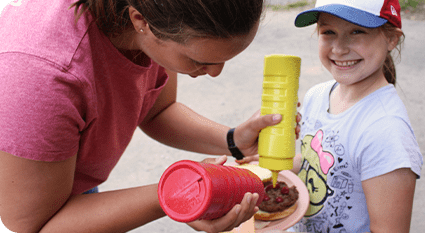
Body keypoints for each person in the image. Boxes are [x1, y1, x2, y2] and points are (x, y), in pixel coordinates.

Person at [0, 0, 285, 232]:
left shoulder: (154, 22)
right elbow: (34, 226)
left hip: (64, 184)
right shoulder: (42, 75)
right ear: (141, 21)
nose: (216, 73)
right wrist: (177, 195)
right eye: (200, 61)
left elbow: (156, 109)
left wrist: (233, 140)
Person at [287, 0, 423, 232]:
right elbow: (320, 164)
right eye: (328, 32)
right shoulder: (316, 96)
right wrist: (274, 167)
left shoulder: (386, 130)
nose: (339, 49)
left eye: (357, 31)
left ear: (391, 39)